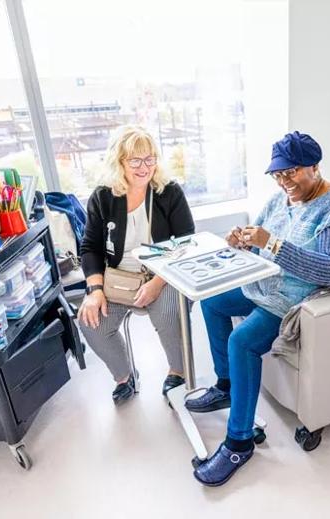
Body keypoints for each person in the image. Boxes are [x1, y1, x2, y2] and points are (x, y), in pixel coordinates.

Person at [186, 131, 330, 486]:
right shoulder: (278, 200)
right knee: (210, 302)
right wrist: (243, 243)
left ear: (315, 167)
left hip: (293, 299)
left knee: (242, 341)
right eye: (278, 174)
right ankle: (225, 385)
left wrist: (271, 243)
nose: (285, 181)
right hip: (263, 285)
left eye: (293, 172)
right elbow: (261, 245)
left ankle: (239, 442)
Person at [78, 125, 195, 404]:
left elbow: (187, 242)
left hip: (163, 274)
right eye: (135, 160)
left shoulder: (169, 192)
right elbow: (90, 247)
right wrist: (95, 291)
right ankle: (124, 376)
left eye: (150, 158)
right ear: (119, 162)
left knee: (169, 314)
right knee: (89, 321)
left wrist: (157, 283)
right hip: (119, 279)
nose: (144, 167)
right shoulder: (103, 197)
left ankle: (178, 371)